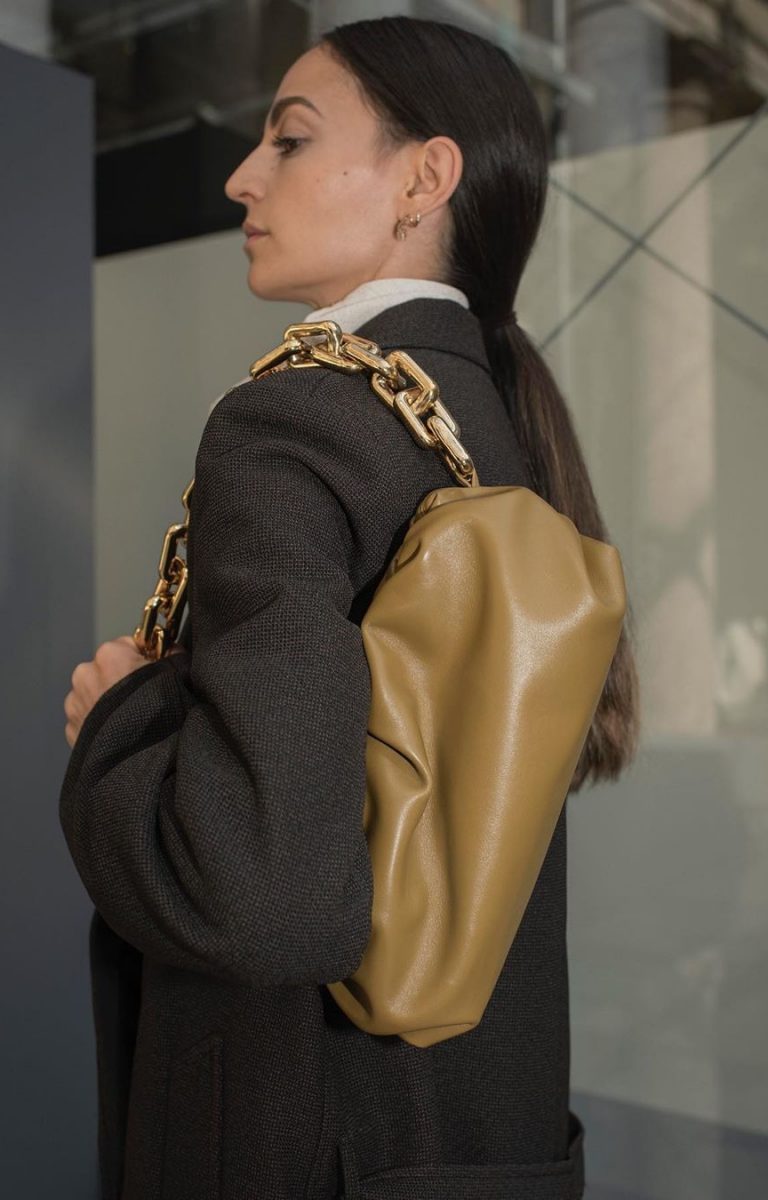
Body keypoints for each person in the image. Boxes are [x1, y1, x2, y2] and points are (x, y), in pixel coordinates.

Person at [60, 15, 640, 1200]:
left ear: (425, 179)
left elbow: (264, 903)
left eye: (289, 139)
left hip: (298, 1145)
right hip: (486, 1147)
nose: (243, 176)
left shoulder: (294, 423)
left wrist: (120, 723)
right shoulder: (502, 428)